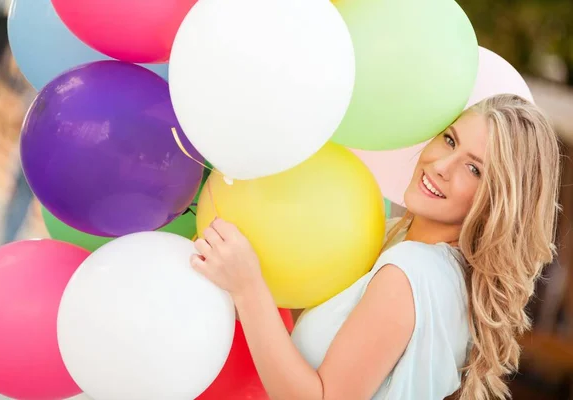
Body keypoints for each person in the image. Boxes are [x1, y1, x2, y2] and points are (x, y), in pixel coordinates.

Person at [190, 94, 561, 400]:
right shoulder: (415, 253)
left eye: (474, 169)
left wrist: (248, 287)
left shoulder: (410, 273)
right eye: (449, 139)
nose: (442, 165)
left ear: (498, 200)